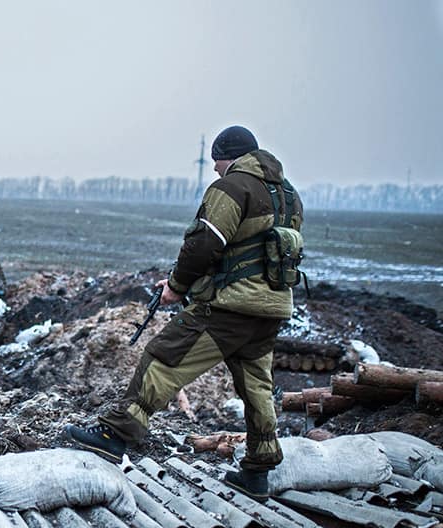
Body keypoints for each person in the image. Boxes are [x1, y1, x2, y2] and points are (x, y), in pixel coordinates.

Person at [65, 125, 304, 498]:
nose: (213, 169)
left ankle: (115, 434)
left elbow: (204, 243)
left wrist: (176, 287)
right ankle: (258, 470)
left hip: (230, 307)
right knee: (257, 386)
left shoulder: (232, 187)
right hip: (272, 307)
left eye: (216, 161)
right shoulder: (288, 196)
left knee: (164, 357)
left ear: (231, 156)